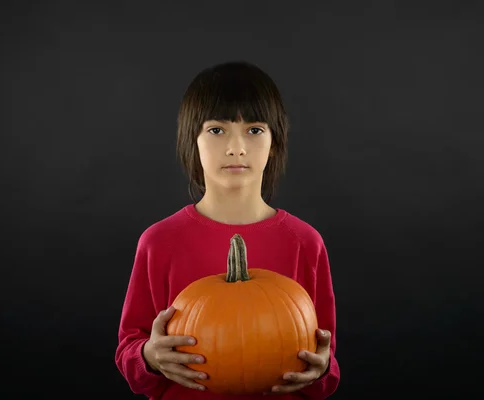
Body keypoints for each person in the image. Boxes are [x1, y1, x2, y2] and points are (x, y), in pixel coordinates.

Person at [115, 61, 340, 399]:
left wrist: (320, 369)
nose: (237, 148)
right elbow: (129, 351)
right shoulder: (159, 242)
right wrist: (148, 356)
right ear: (193, 140)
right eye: (217, 130)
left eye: (254, 130)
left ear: (275, 143)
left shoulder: (304, 243)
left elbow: (325, 362)